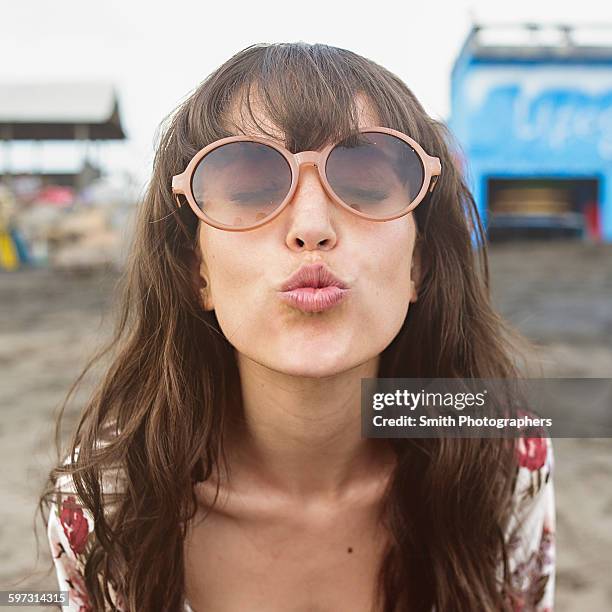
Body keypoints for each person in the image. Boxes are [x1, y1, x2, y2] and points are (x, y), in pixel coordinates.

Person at [39, 42, 555, 611]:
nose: (312, 227)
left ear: (418, 263)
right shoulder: (106, 503)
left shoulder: (503, 462)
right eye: (253, 190)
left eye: (363, 186)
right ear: (197, 270)